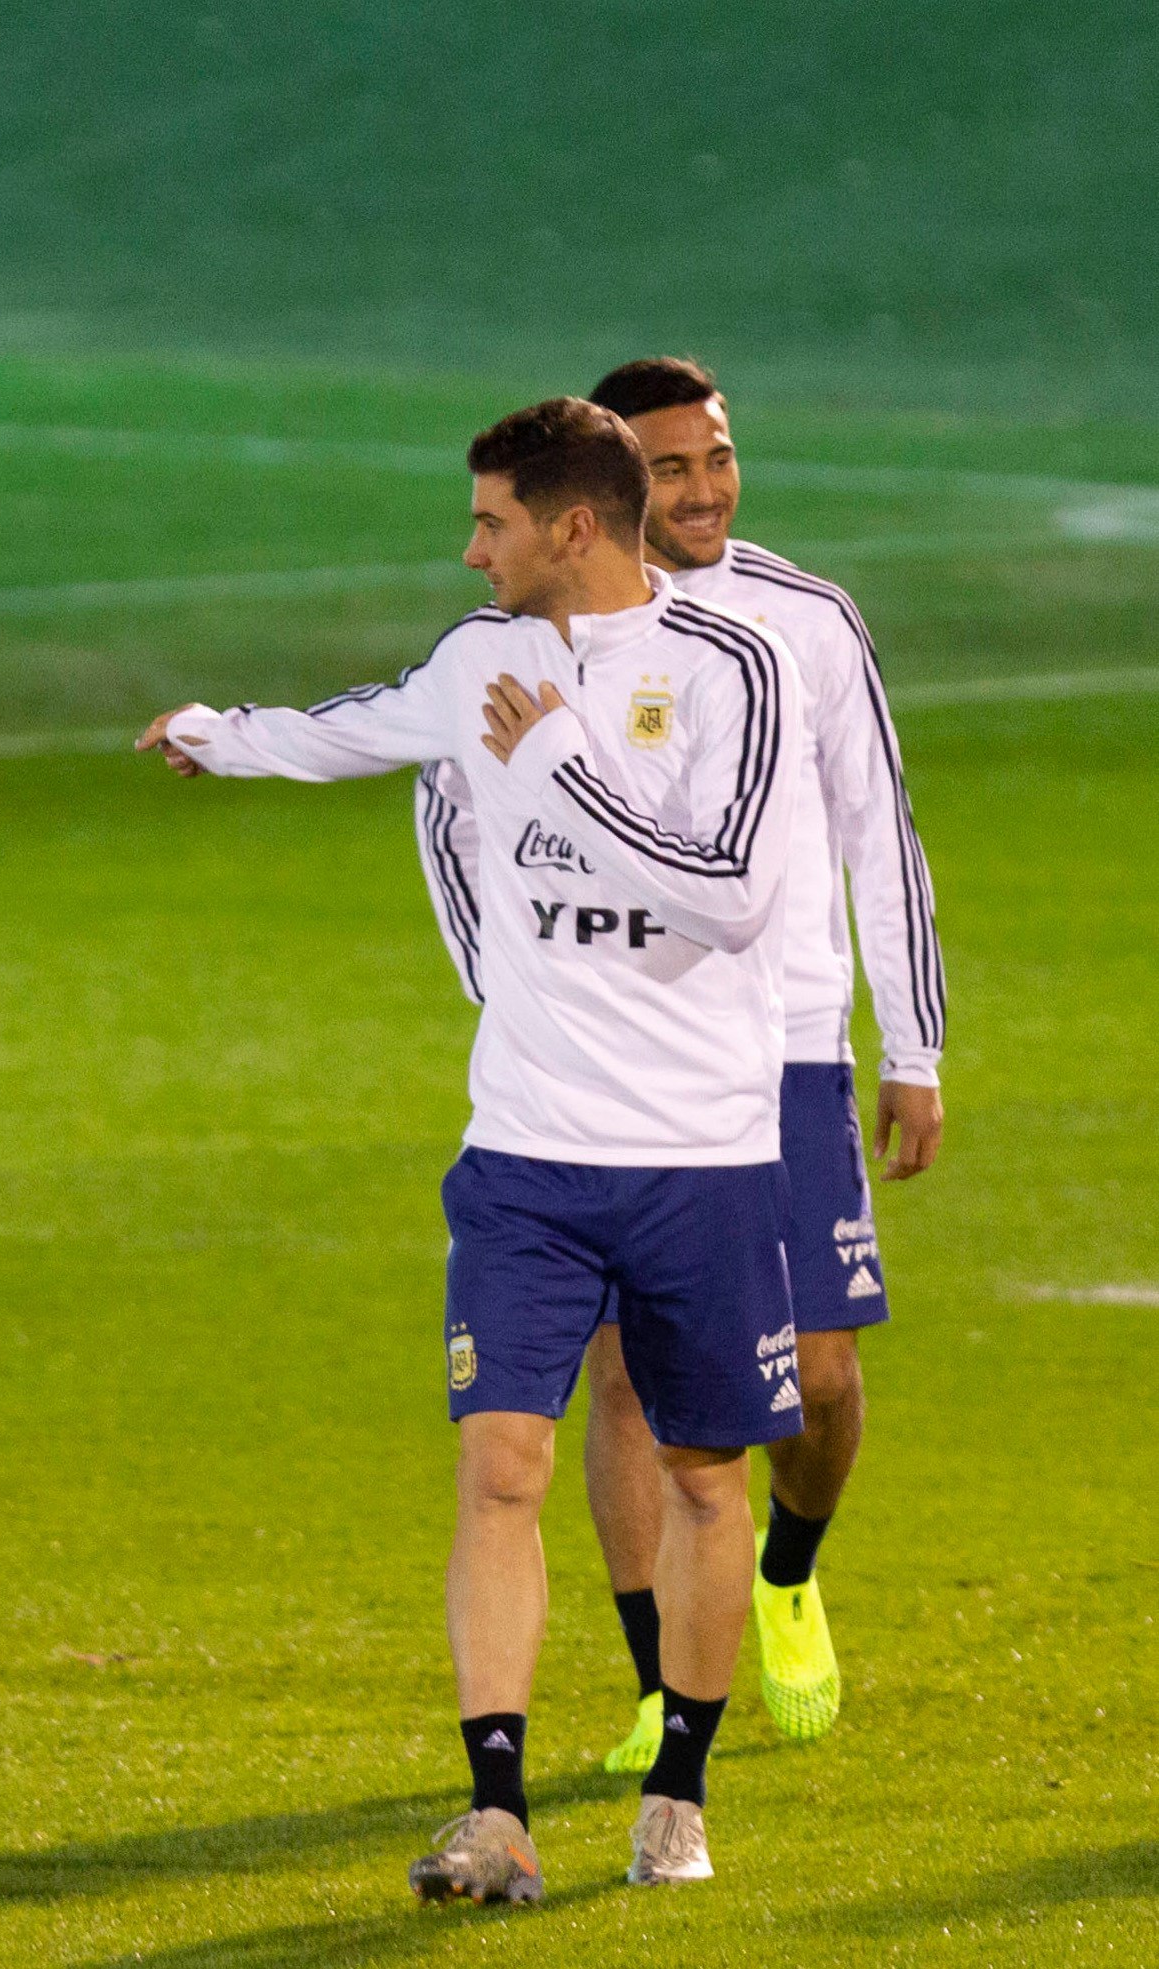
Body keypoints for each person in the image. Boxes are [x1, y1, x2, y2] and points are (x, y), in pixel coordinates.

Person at [141, 398, 808, 1897]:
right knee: (498, 1466)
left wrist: (565, 766)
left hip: (698, 1151)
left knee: (707, 1476)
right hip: (523, 1152)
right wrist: (210, 737)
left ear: (570, 526)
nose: (471, 547)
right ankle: (494, 1805)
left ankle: (679, 1787)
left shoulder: (726, 668)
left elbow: (731, 897)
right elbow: (348, 730)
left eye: (492, 521)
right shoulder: (477, 658)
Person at [415, 357, 945, 1764]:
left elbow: (874, 833)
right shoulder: (525, 632)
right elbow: (448, 812)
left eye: (716, 457)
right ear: (603, 497)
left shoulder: (804, 622)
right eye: (669, 469)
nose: (702, 489)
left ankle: (782, 1575)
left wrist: (915, 1042)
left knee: (815, 1380)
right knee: (626, 1386)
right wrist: (526, 994)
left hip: (785, 1052)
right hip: (611, 1076)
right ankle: (660, 1684)